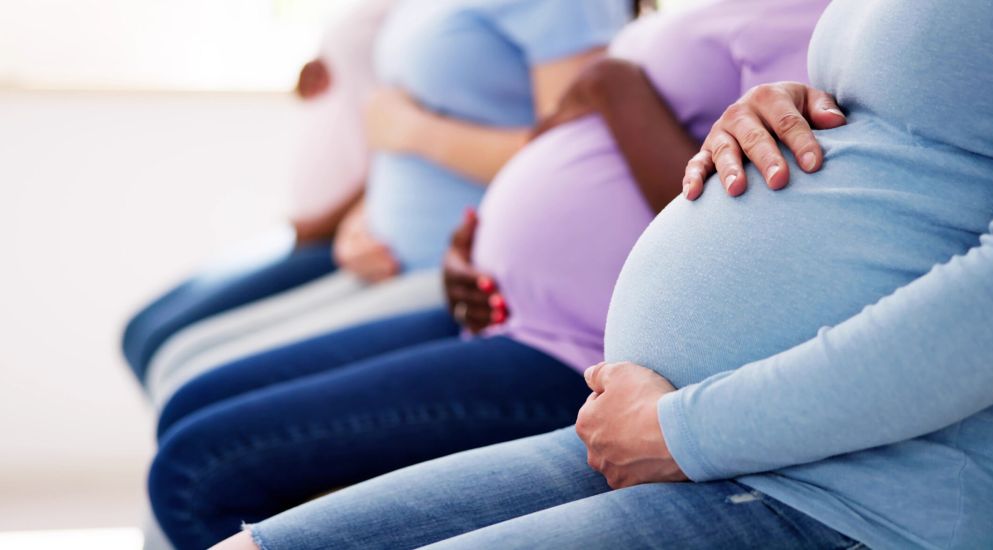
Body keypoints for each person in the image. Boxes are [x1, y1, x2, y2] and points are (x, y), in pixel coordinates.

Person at [213, 0, 993, 548]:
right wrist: (773, 108)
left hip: (846, 499)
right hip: (689, 438)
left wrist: (683, 431)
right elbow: (928, 136)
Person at [147, 1, 836, 548]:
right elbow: (562, 145)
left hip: (583, 354)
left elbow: (755, 235)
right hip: (499, 308)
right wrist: (474, 248)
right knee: (196, 412)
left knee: (199, 468)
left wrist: (615, 87)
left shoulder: (813, 23)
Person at [132, 0, 626, 409]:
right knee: (179, 363)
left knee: (192, 385)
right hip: (382, 256)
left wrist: (416, 133)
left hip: (455, 272)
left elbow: (568, 160)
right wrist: (360, 217)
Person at [121, 0, 397, 388]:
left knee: (166, 348)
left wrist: (334, 218)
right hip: (307, 229)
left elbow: (413, 130)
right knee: (140, 332)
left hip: (343, 236)